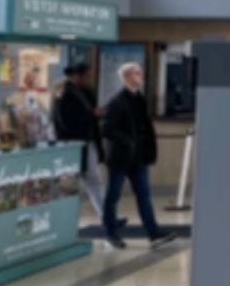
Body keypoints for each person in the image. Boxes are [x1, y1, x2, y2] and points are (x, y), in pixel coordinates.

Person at [101, 62, 175, 249]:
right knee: (113, 195)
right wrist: (128, 141)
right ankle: (111, 233)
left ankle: (154, 233)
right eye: (137, 74)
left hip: (138, 157)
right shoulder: (117, 102)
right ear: (127, 77)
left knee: (144, 195)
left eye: (140, 73)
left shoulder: (139, 98)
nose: (141, 77)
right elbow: (108, 130)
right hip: (120, 158)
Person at [50, 63, 120, 229]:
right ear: (77, 76)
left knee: (93, 180)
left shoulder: (86, 92)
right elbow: (65, 122)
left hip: (88, 141)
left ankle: (107, 217)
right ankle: (67, 221)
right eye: (86, 76)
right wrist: (91, 114)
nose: (89, 79)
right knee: (73, 182)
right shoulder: (64, 94)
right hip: (73, 144)